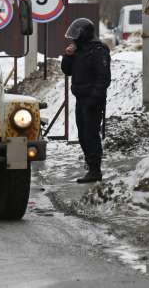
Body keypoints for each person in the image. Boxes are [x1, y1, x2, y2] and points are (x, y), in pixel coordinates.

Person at [61, 18, 111, 183]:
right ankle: (90, 165)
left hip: (93, 100)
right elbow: (67, 70)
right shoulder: (79, 50)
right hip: (81, 99)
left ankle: (95, 170)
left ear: (85, 35)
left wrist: (94, 98)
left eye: (77, 36)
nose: (74, 39)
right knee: (83, 135)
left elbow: (103, 78)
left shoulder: (98, 50)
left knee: (91, 135)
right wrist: (68, 56)